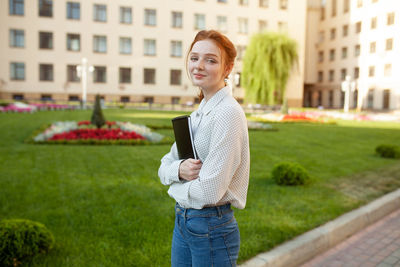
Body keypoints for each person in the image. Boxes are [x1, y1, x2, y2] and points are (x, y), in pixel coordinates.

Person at [158, 30, 250, 267]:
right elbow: (164, 166)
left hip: (212, 227)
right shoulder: (199, 113)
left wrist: (173, 190)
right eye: (194, 57)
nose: (199, 66)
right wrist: (179, 171)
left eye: (210, 60)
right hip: (185, 221)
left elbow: (210, 191)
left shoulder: (227, 113)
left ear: (227, 68)